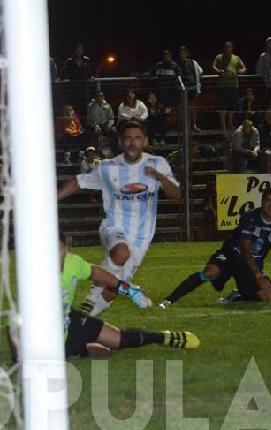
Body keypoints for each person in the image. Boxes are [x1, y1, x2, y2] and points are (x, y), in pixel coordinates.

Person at [6, 232, 199, 361]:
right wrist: (19, 357)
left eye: (56, 250)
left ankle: (163, 337)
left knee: (120, 341)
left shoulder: (73, 263)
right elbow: (13, 323)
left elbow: (95, 272)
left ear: (65, 250)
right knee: (88, 353)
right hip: (44, 342)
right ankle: (79, 349)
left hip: (68, 321)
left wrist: (129, 290)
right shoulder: (32, 280)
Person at [56, 120, 182, 316]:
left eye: (137, 138)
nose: (133, 143)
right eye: (128, 138)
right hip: (113, 226)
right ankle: (92, 294)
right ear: (121, 142)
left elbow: (176, 195)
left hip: (142, 238)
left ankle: (84, 317)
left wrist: (161, 178)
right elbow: (77, 182)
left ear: (145, 141)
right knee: (122, 252)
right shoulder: (107, 167)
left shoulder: (158, 164)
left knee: (112, 290)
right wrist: (51, 200)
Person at [158, 187, 271, 307]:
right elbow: (246, 250)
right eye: (267, 200)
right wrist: (258, 275)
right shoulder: (250, 218)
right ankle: (169, 300)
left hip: (250, 266)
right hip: (231, 255)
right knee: (210, 273)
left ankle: (236, 298)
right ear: (262, 202)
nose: (270, 205)